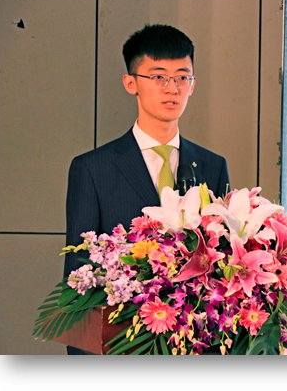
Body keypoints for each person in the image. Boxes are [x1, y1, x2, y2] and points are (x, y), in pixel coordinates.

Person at [63, 24, 230, 354]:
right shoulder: (93, 168)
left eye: (182, 77)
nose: (173, 88)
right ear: (131, 83)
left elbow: (222, 264)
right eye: (158, 77)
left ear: (193, 84)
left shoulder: (212, 166)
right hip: (123, 349)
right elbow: (79, 278)